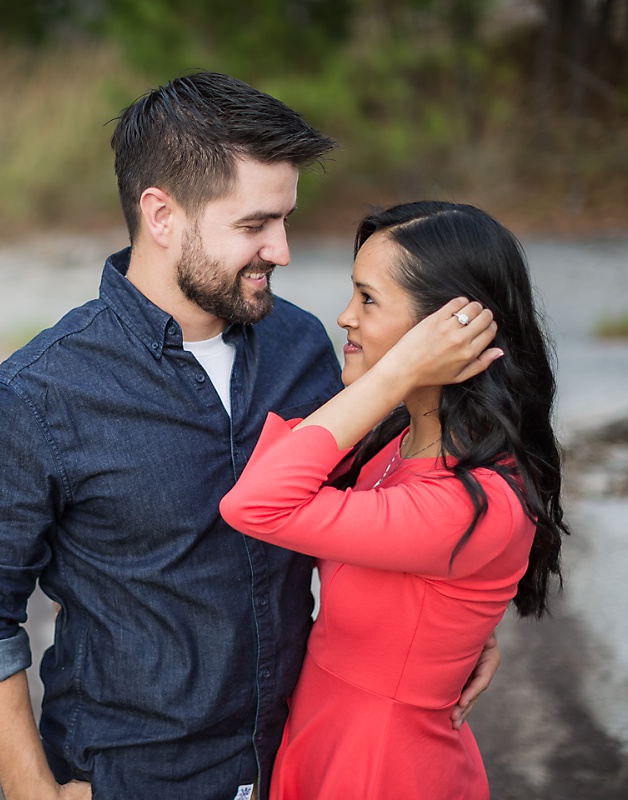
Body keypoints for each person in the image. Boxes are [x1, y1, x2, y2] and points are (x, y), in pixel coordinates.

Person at [0, 74, 499, 800]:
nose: (284, 250)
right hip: (136, 778)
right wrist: (31, 792)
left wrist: (451, 626)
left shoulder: (302, 345)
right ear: (162, 214)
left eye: (287, 219)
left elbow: (375, 504)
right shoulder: (34, 399)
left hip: (297, 756)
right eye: (255, 225)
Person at [220, 201, 568, 799]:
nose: (345, 316)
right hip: (323, 736)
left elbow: (256, 505)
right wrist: (454, 630)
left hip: (381, 768)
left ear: (445, 328)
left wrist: (393, 376)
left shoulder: (473, 500)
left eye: (368, 298)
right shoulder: (398, 445)